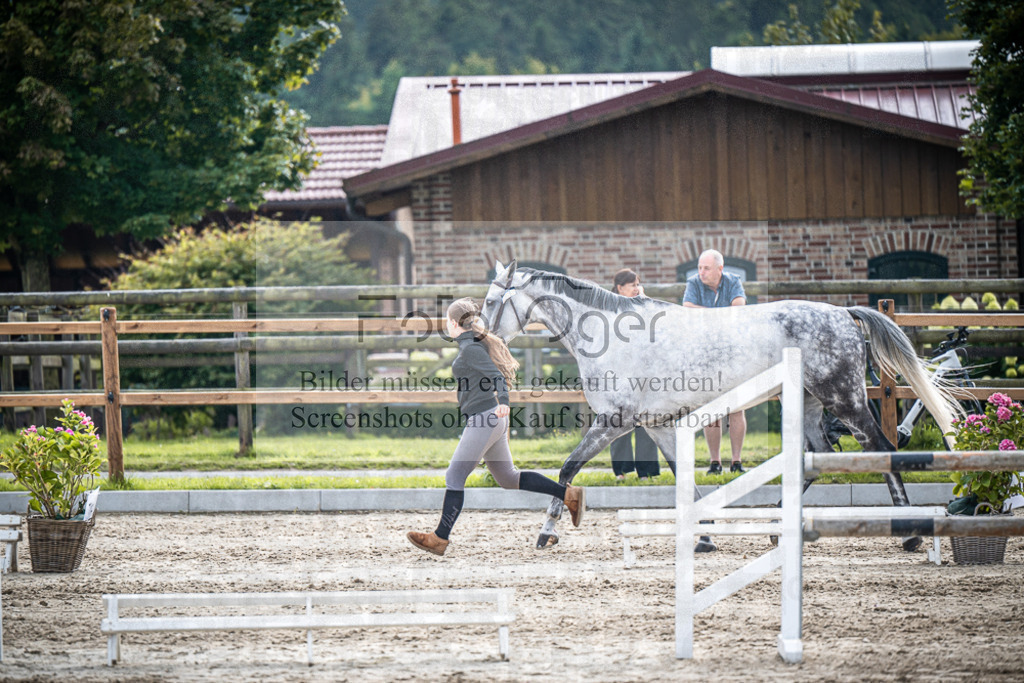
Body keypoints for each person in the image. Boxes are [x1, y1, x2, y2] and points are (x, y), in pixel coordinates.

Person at [407, 298, 585, 556]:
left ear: (455, 324)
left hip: (485, 418)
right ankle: (569, 495)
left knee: (454, 476)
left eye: (448, 320)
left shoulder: (470, 349)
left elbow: (495, 377)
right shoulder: (471, 344)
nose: (447, 324)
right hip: (490, 419)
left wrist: (503, 401)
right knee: (508, 478)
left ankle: (439, 538)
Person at [682, 249, 748, 475]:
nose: (701, 272)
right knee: (711, 410)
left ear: (720, 269)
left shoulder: (733, 281)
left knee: (737, 408)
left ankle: (736, 461)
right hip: (705, 353)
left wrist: (707, 316)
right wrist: (720, 315)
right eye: (700, 267)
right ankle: (715, 462)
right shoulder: (693, 283)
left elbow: (739, 309)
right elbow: (688, 309)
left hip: (732, 351)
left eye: (706, 268)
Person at [609, 268, 661, 481]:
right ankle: (621, 471)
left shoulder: (643, 305)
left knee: (645, 420)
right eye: (632, 285)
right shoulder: (610, 308)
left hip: (643, 371)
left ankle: (646, 472)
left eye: (638, 284)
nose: (637, 288)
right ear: (620, 288)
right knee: (618, 419)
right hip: (619, 370)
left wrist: (643, 297)